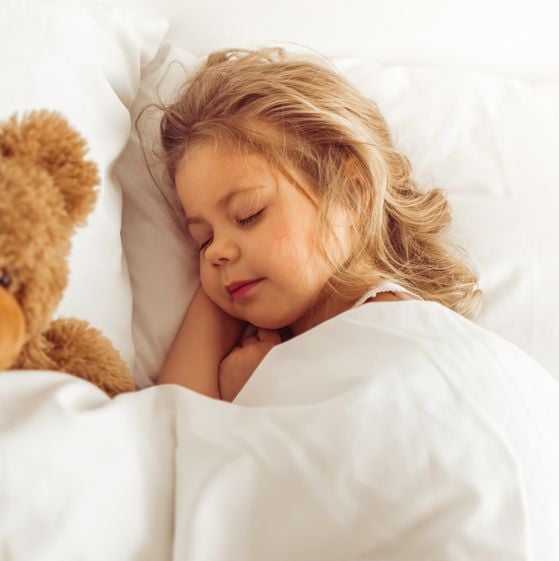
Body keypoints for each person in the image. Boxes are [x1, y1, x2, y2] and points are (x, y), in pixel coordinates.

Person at [155, 47, 481, 401]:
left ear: (351, 194)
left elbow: (177, 437)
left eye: (248, 214)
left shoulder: (394, 332)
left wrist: (264, 395)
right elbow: (165, 428)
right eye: (202, 239)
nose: (216, 251)